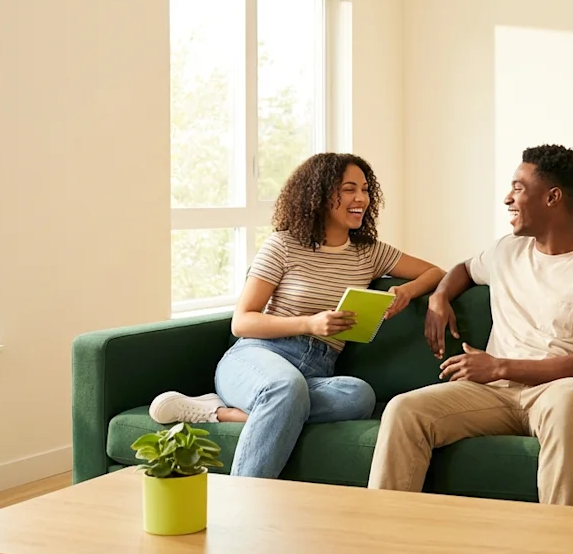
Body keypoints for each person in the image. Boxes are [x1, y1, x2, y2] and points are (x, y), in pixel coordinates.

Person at [366, 144, 573, 506]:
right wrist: (439, 297)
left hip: (570, 391)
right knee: (404, 410)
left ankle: (562, 548)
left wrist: (498, 365)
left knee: (568, 402)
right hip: (498, 393)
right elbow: (463, 269)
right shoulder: (507, 251)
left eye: (519, 188)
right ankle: (383, 544)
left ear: (553, 197)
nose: (508, 198)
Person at [149, 153, 445, 480]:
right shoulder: (283, 246)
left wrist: (407, 291)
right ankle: (242, 502)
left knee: (359, 395)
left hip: (316, 370)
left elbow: (436, 272)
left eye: (365, 189)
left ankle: (222, 412)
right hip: (259, 356)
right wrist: (309, 323)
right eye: (349, 189)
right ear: (318, 195)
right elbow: (242, 321)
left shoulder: (370, 253)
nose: (361, 198)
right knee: (286, 388)